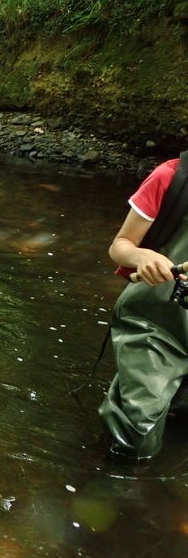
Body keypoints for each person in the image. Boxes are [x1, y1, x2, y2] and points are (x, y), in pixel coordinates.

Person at [99, 155, 188, 461]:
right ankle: (115, 494)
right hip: (155, 323)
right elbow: (121, 246)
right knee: (137, 434)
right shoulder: (171, 176)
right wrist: (142, 258)